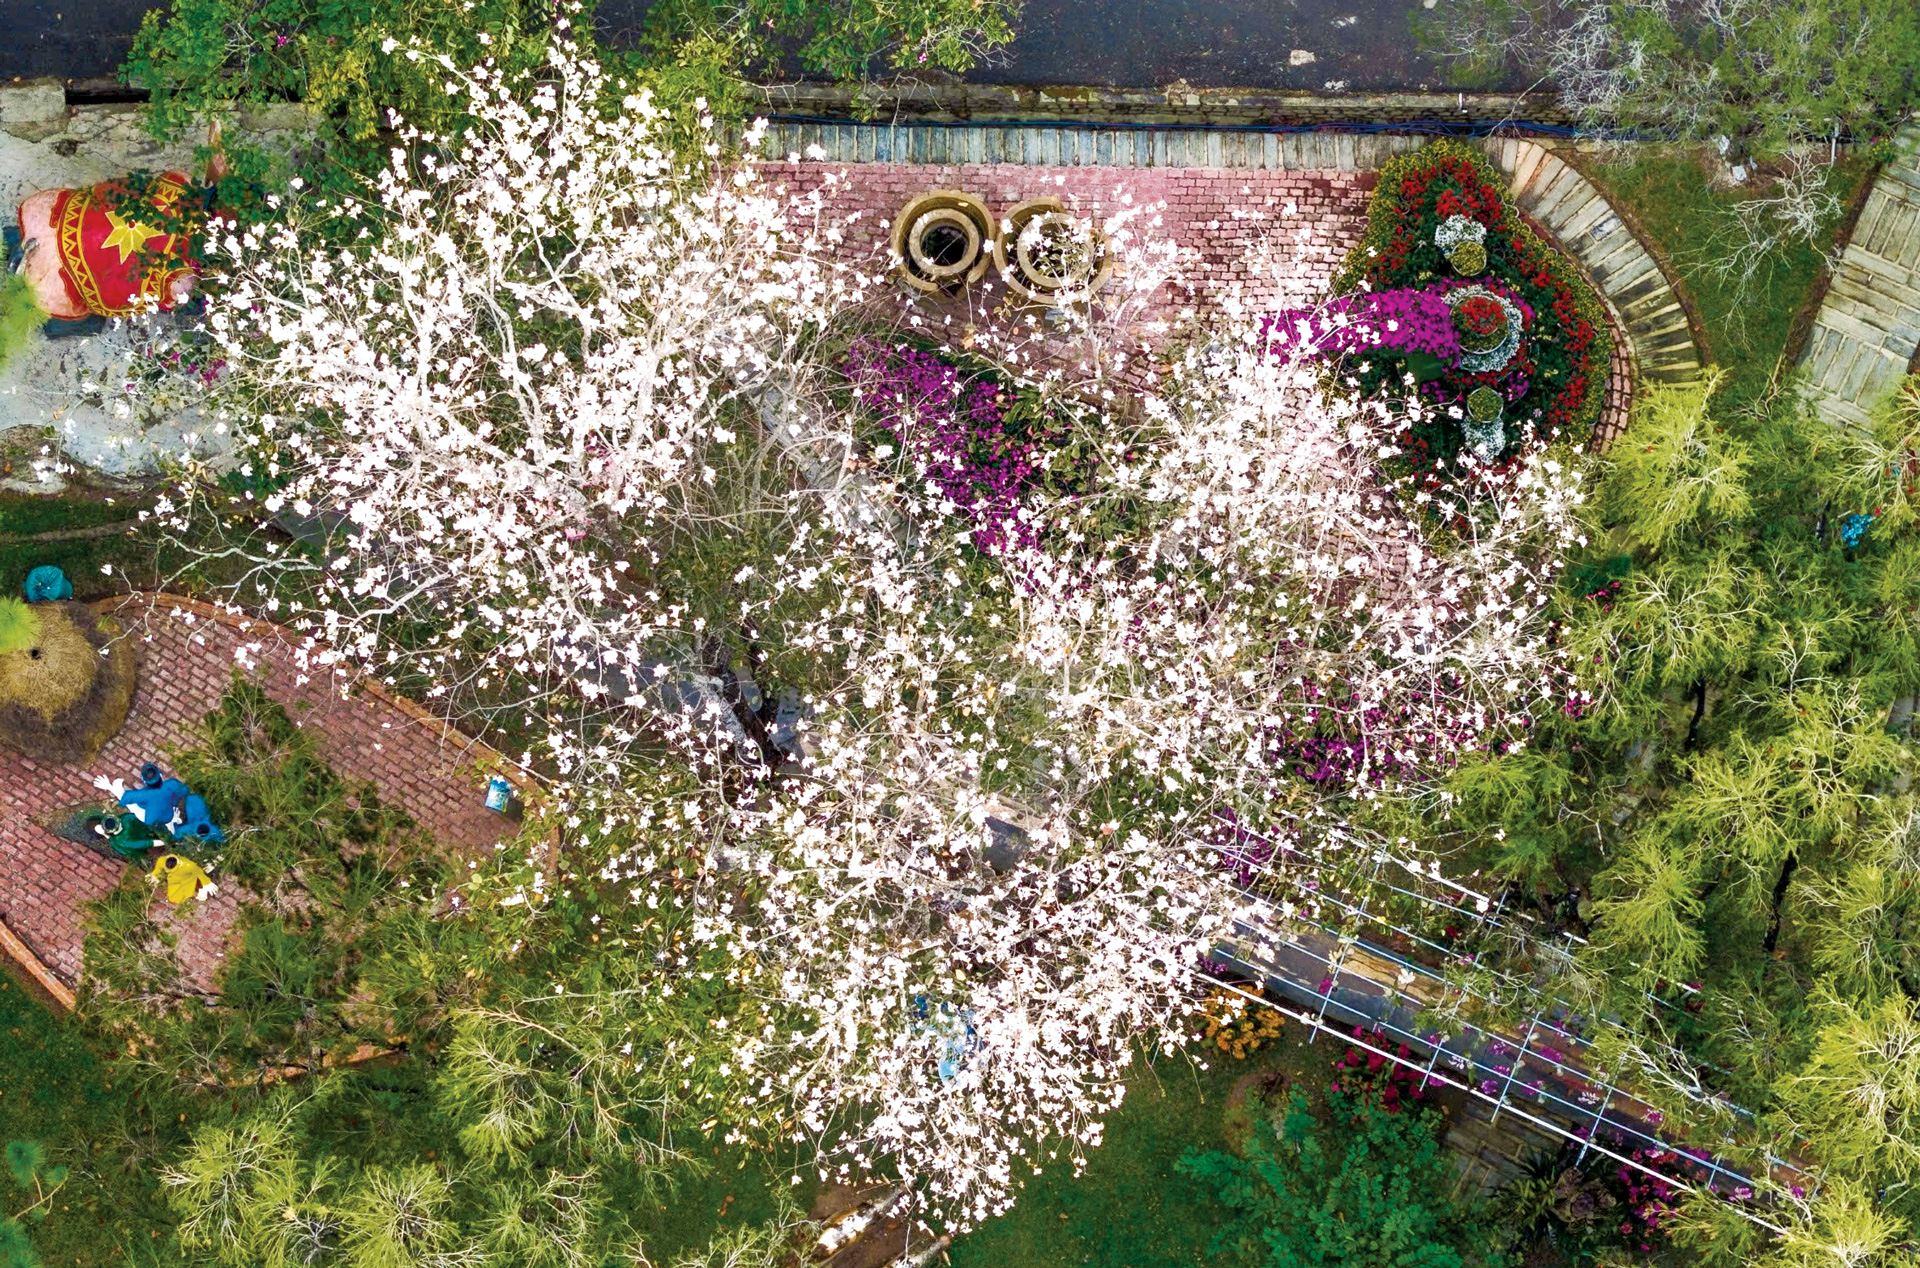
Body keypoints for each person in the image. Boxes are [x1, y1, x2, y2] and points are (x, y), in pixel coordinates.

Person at [3, 119, 229, 351]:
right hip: (76, 254)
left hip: (77, 238)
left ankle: (35, 266)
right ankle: (44, 281)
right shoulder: (184, 273)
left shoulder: (179, 189)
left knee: (100, 238)